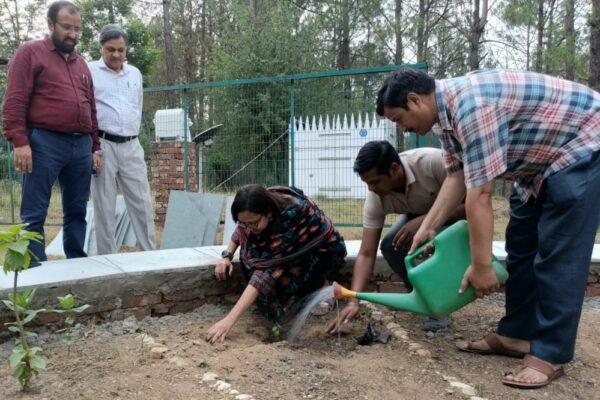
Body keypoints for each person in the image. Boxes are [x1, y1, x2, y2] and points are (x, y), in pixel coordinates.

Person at [376, 68, 600, 389]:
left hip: (583, 143)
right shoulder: (445, 118)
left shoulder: (473, 106)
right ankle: (518, 334)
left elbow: (480, 194)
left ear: (415, 100)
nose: (403, 128)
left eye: (399, 119)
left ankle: (551, 353)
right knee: (521, 245)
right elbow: (457, 176)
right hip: (536, 165)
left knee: (558, 255)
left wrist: (481, 266)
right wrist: (428, 226)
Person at [326, 141, 466, 334]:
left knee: (431, 245)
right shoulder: (375, 198)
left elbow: (472, 205)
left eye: (375, 182)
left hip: (458, 219)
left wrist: (426, 222)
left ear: (393, 169)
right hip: (417, 216)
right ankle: (425, 298)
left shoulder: (433, 162)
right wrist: (353, 300)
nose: (370, 189)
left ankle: (440, 307)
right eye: (366, 183)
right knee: (391, 246)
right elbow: (367, 253)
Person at [2, 1, 101, 262]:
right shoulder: (30, 53)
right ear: (50, 24)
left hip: (80, 146)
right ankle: (36, 272)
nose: (74, 34)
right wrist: (20, 142)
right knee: (34, 214)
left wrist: (94, 147)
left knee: (78, 211)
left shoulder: (81, 64)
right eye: (67, 27)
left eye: (78, 29)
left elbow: (91, 108)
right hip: (44, 143)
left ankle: (76, 264)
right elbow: (14, 101)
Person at [205, 184, 346, 344]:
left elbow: (265, 273)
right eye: (245, 223)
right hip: (288, 251)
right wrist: (226, 255)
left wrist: (229, 320)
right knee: (262, 269)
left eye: (254, 223)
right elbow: (241, 230)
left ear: (269, 213)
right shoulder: (254, 212)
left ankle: (322, 286)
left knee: (292, 278)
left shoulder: (292, 216)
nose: (249, 229)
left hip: (321, 252)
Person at [88, 24, 156, 254]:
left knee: (142, 203)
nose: (116, 54)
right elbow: (86, 110)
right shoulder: (89, 72)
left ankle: (150, 255)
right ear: (101, 48)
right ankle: (108, 259)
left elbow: (137, 106)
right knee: (104, 205)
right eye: (111, 49)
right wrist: (92, 147)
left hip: (131, 145)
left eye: (121, 49)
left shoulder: (135, 73)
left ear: (126, 50)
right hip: (102, 146)